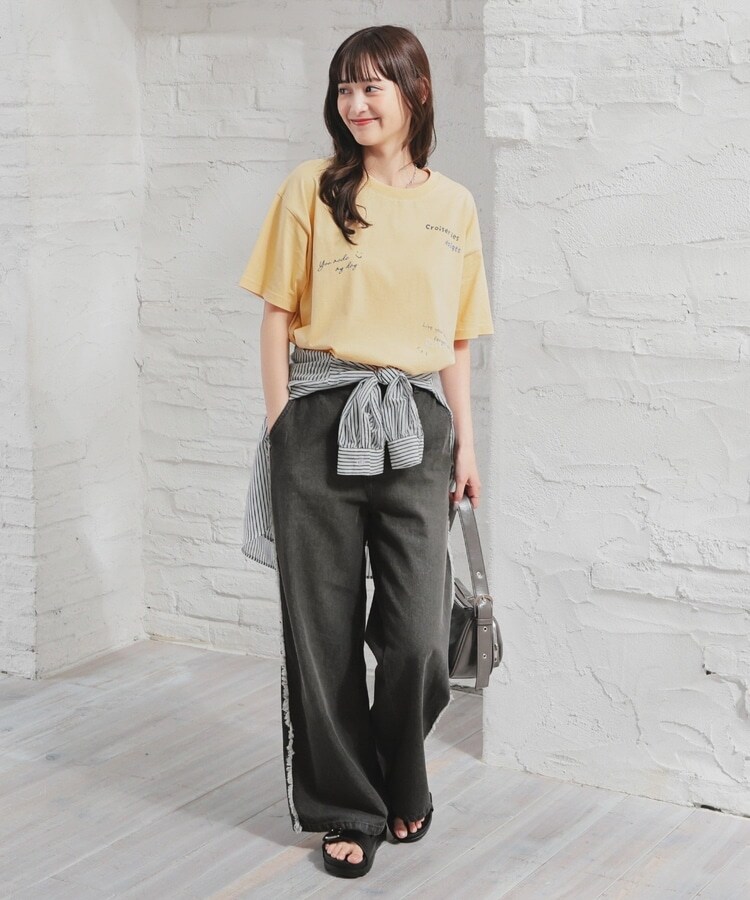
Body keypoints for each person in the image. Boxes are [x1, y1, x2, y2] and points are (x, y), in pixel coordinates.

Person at [237, 24, 494, 878]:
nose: (355, 104)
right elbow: (277, 316)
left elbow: (459, 338)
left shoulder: (454, 206)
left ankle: (398, 774)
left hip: (417, 424)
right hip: (319, 416)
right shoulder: (310, 188)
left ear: (415, 93)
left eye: (372, 86)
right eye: (344, 87)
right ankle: (348, 807)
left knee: (419, 637)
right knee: (323, 628)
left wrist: (466, 445)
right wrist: (283, 424)